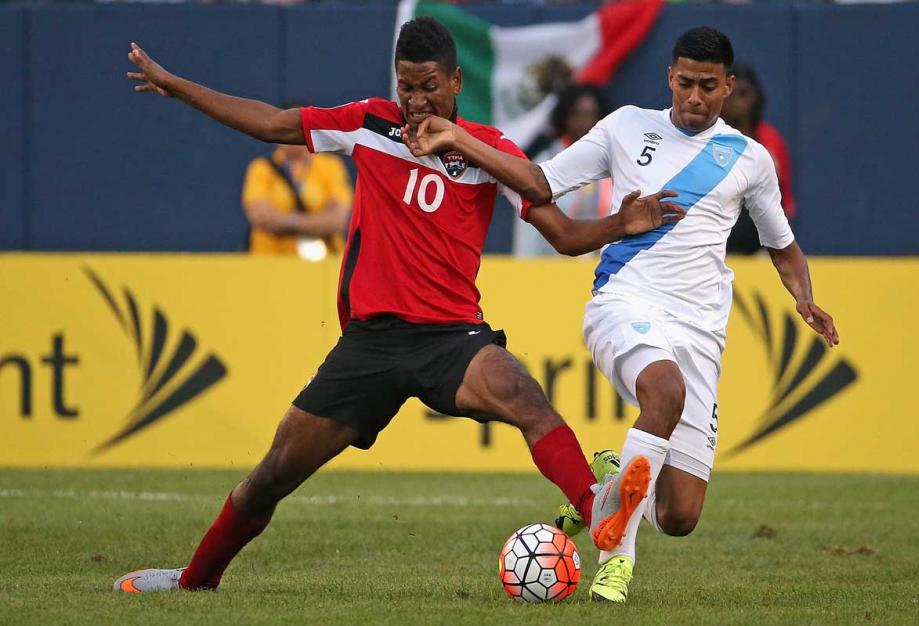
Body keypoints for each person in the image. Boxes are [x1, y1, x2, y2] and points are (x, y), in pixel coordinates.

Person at [114, 17, 686, 593]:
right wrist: (179, 85)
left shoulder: (489, 150)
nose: (414, 101)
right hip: (371, 343)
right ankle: (195, 581)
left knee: (525, 398)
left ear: (456, 81)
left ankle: (599, 515)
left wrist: (619, 222)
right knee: (271, 476)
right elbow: (274, 124)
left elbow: (559, 230)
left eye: (428, 86)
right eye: (406, 87)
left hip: (452, 338)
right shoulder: (369, 124)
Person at [403, 26, 839, 603]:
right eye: (685, 82)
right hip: (624, 300)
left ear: (728, 88)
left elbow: (781, 247)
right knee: (663, 390)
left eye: (708, 86)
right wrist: (460, 138)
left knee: (680, 514)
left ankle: (611, 481)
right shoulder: (625, 126)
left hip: (700, 330)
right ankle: (617, 554)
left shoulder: (750, 160)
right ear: (670, 78)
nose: (694, 97)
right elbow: (540, 182)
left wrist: (804, 298)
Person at [515, 84, 613, 257]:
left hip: (604, 268)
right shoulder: (545, 164)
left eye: (591, 115)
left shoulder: (614, 163)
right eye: (577, 114)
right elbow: (528, 229)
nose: (584, 122)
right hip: (553, 271)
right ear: (564, 117)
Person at [242, 128, 352, 260]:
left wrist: (288, 221)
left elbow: (337, 220)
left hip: (323, 265)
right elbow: (260, 216)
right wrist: (317, 223)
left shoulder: (331, 166)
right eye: (286, 131)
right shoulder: (261, 168)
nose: (291, 138)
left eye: (297, 132)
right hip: (270, 261)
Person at [720, 63, 796, 254]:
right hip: (716, 247)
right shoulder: (709, 138)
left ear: (756, 96)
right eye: (731, 93)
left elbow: (784, 201)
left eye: (744, 93)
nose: (737, 100)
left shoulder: (771, 140)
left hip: (760, 250)